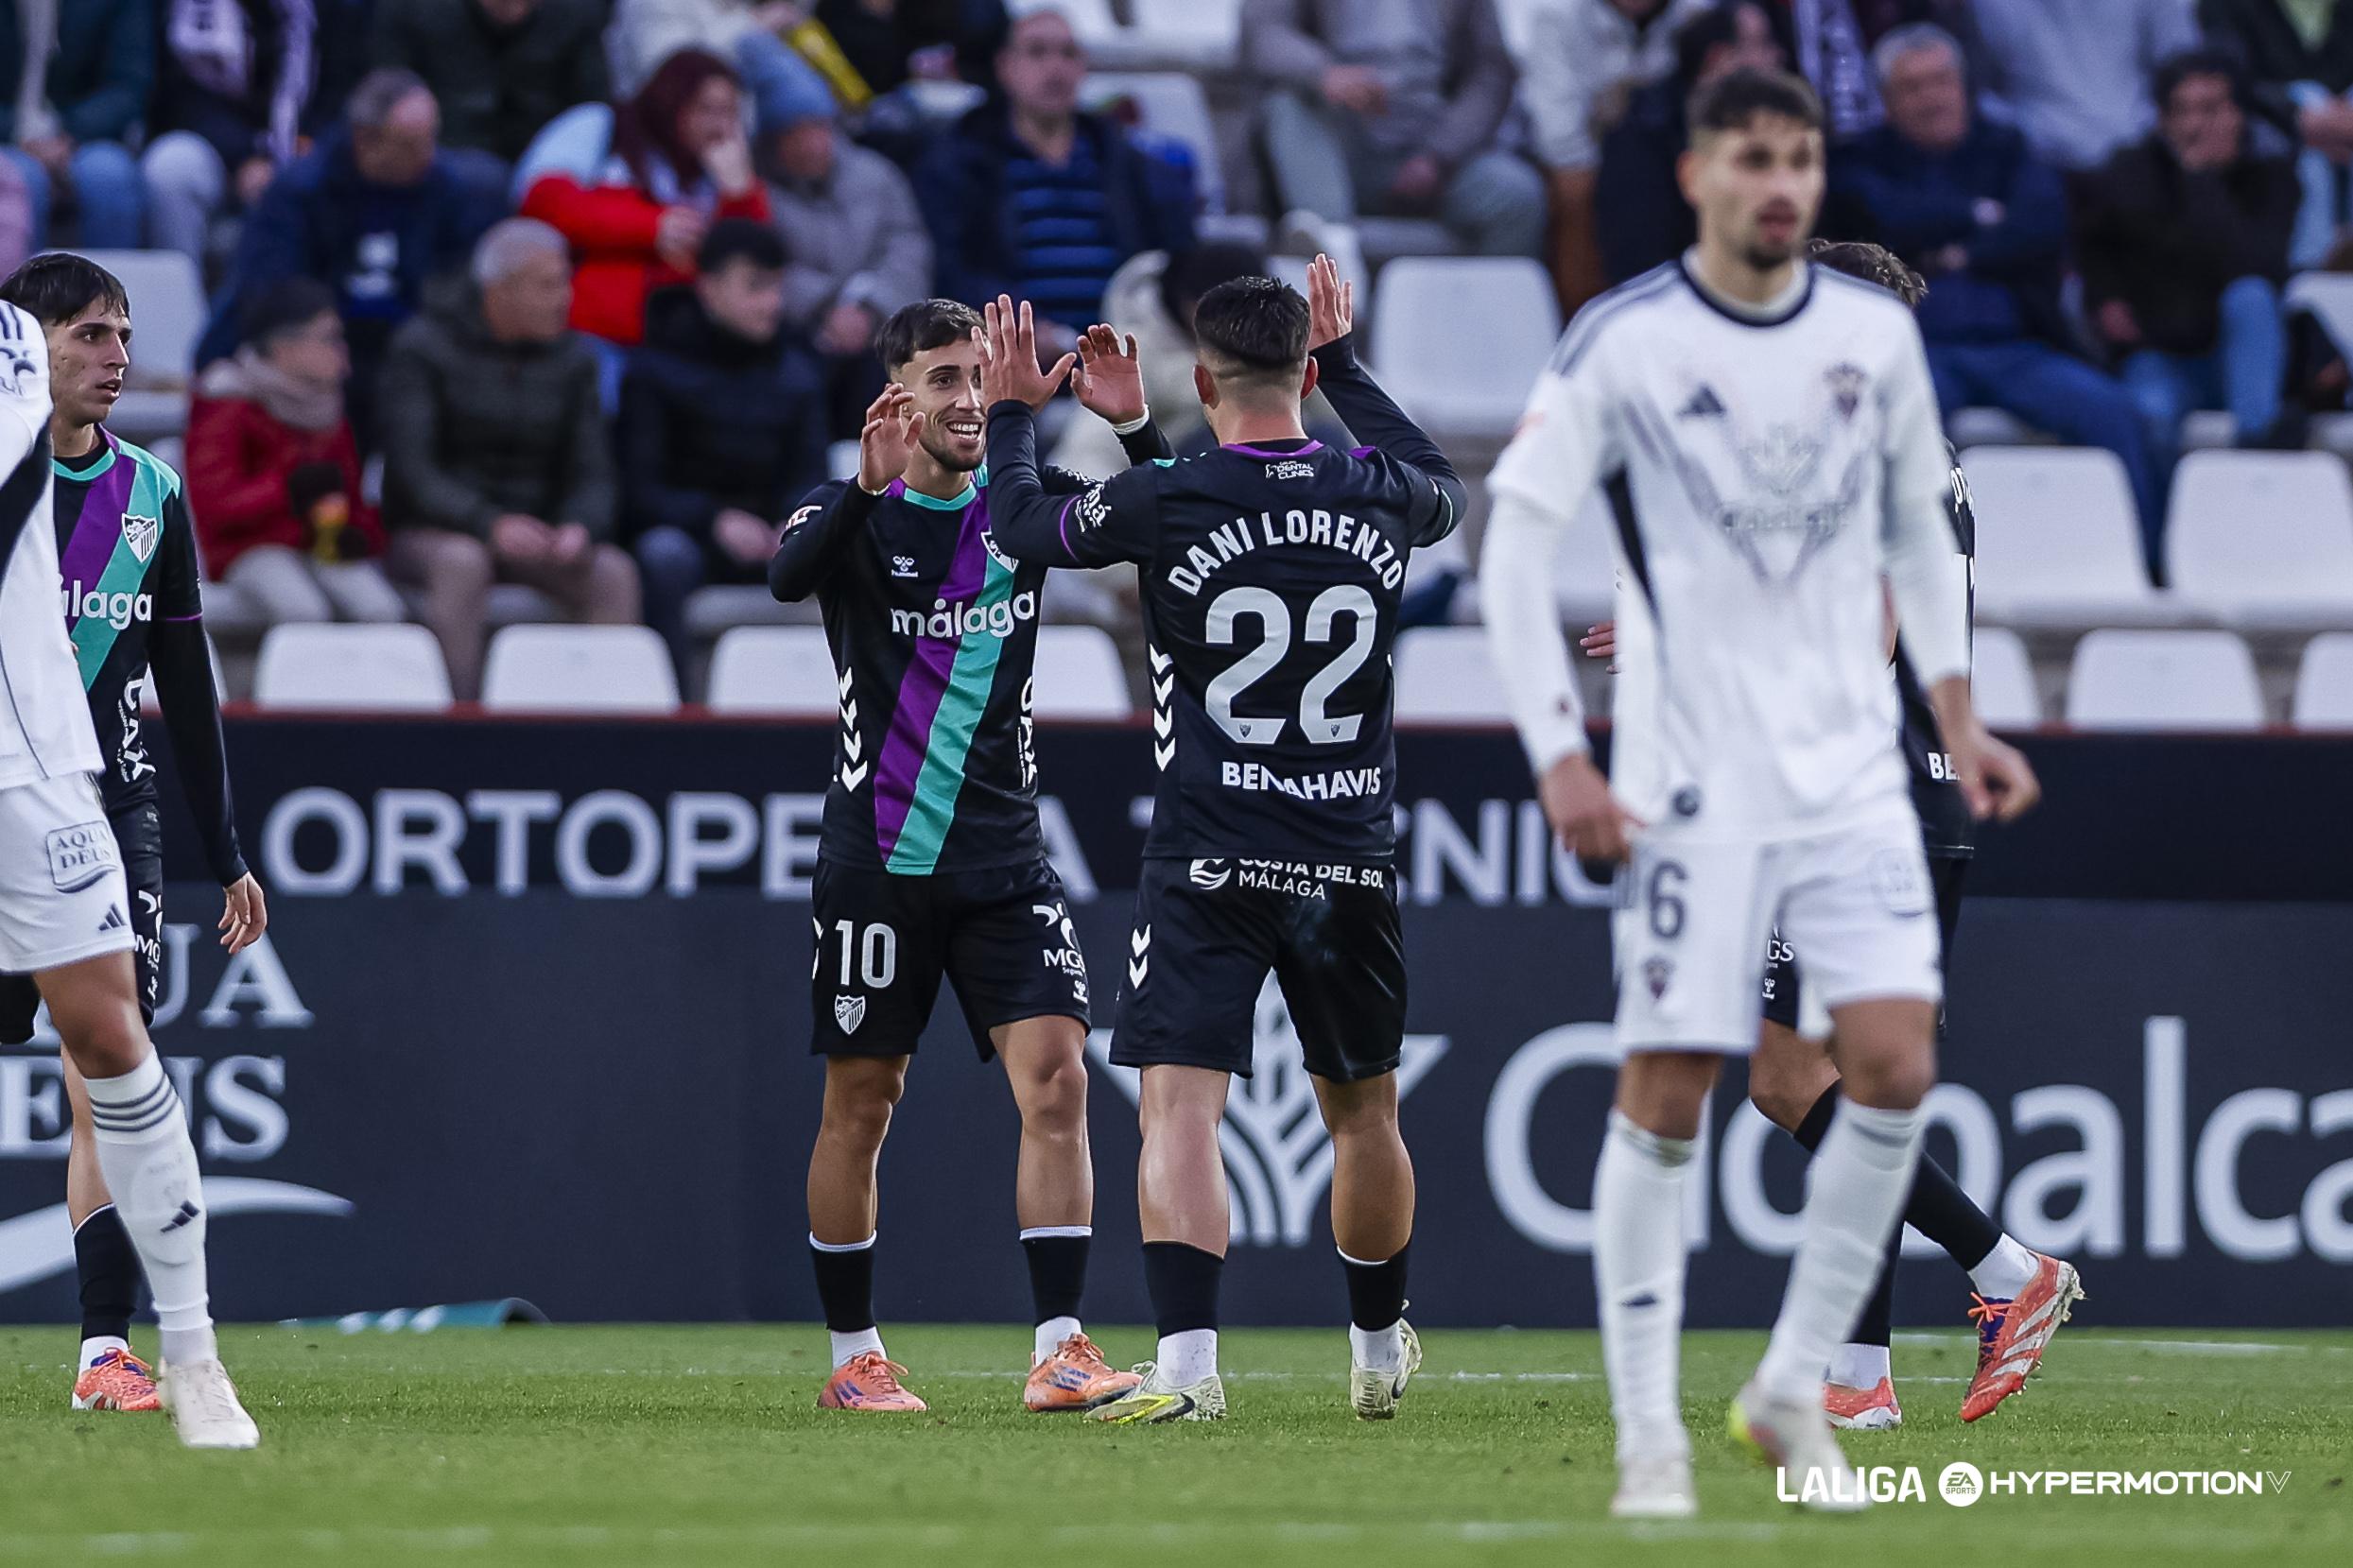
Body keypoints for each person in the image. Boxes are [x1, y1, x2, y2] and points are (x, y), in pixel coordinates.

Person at [1478, 67, 2040, 1515]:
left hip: (1854, 782)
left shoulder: (1872, 364)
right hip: (1709, 784)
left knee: (1882, 1069)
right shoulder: (1632, 341)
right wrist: (1564, 750)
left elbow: (1905, 564)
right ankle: (1654, 1436)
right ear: (1697, 176)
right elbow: (1519, 538)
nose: (1780, 182)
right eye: (1754, 158)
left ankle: (1809, 1378)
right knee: (1675, 1089)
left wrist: (1959, 717)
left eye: (1800, 158)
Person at [1580, 236, 2083, 1435]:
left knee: (1792, 1078)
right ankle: (1858, 1377)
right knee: (1827, 1085)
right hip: (1904, 798)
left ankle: (2006, 1270)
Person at [977, 262, 1466, 1425]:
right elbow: (1444, 485)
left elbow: (1019, 525)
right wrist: (1347, 367)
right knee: (1365, 1114)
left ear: (1200, 381)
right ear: (1304, 372)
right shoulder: (1378, 489)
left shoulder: (1172, 491)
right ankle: (1375, 1346)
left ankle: (1189, 1371)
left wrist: (1012, 412)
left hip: (1208, 851)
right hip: (1345, 855)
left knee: (1180, 1109)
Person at [765, 298, 1171, 1415]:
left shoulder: (1019, 508)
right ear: (894, 395)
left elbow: (1168, 524)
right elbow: (787, 578)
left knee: (1058, 1080)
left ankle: (1060, 1349)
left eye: (979, 378)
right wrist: (862, 488)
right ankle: (854, 1357)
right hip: (878, 862)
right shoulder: (844, 506)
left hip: (1006, 862)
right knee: (862, 1102)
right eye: (943, 378)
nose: (966, 400)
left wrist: (1120, 428)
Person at [0, 253, 265, 1446]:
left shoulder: (149, 492)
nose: (117, 358)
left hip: (104, 814)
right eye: (90, 335)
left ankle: (111, 1349)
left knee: (108, 1058)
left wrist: (228, 849)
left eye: (122, 334)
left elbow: (185, 684)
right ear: (27, 350)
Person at [1833, 24, 2165, 575]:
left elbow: (2041, 225)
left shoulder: (2009, 147)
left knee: (2114, 412)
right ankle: (1887, 580)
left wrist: (1948, 251)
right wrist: (1977, 215)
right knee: (1884, 424)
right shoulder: (1859, 159)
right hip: (1918, 352)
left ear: (1964, 86)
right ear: (1887, 101)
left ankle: (2148, 568)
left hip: (2017, 347)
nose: (1932, 97)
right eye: (1913, 87)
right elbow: (1881, 218)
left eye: (1941, 81)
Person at [379, 218, 640, 698]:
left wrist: (581, 525)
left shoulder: (576, 358)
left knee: (611, 571)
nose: (565, 298)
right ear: (500, 290)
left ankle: (609, 722)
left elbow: (594, 470)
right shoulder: (424, 346)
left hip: (537, 533)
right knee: (463, 563)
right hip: (435, 531)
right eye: (548, 285)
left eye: (565, 282)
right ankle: (459, 722)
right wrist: (488, 523)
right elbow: (412, 471)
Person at [201, 68, 508, 447]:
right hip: (328, 341)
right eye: (410, 145)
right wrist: (326, 338)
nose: (427, 155)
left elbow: (456, 285)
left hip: (410, 346)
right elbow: (273, 288)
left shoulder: (450, 189)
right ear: (365, 139)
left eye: (432, 138)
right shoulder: (301, 191)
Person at [916, 9, 1196, 357]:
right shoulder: (962, 164)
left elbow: (1173, 258)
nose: (1055, 68)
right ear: (1005, 67)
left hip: (1126, 349)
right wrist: (1018, 325)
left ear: (1083, 68)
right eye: (1037, 51)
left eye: (1068, 53)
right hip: (1010, 353)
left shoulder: (1128, 164)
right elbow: (950, 270)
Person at [2078, 49, 2301, 473]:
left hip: (2239, 358)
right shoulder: (2131, 172)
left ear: (2239, 113)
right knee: (2152, 413)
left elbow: (2255, 265)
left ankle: (2256, 459)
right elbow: (2097, 247)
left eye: (2210, 109)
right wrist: (2104, 298)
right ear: (2162, 120)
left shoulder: (2271, 177)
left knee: (2251, 296)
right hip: (2161, 352)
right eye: (2182, 111)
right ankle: (2156, 517)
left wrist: (2200, 181)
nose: (2195, 126)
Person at [621, 218, 827, 664]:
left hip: (774, 536)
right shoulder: (655, 369)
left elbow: (812, 475)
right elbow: (639, 490)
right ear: (709, 289)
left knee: (843, 545)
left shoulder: (798, 373)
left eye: (777, 287)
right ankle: (675, 699)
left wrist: (792, 521)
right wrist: (714, 521)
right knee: (664, 555)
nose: (772, 303)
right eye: (755, 287)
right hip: (693, 536)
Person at [518, 49, 772, 354]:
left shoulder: (725, 170)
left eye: (729, 112)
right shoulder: (601, 127)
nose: (719, 126)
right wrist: (650, 226)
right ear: (670, 101)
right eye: (705, 109)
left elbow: (751, 264)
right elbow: (542, 203)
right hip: (594, 329)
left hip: (685, 341)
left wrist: (741, 196)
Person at [1247, 0, 1542, 259]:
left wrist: (1439, 155)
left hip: (1433, 146)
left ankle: (1493, 307)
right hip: (1332, 150)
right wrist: (1323, 74)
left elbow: (1490, 73)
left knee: (1516, 198)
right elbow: (1262, 36)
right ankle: (1332, 246)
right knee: (1287, 104)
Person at [187, 277, 407, 624]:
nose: (341, 351)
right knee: (303, 610)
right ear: (283, 347)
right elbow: (216, 507)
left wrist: (359, 533)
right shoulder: (228, 403)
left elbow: (349, 495)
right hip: (249, 549)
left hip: (319, 544)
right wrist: (285, 488)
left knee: (382, 609)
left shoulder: (328, 410)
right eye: (329, 338)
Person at [762, 75, 931, 437]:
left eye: (818, 128)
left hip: (882, 323)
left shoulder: (876, 176)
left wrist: (870, 307)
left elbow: (907, 244)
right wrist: (825, 307)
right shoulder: (760, 191)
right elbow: (766, 266)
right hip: (801, 331)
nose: (811, 144)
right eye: (795, 133)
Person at [1525, 0, 1712, 310]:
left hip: (1672, 149)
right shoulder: (1556, 15)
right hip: (1591, 156)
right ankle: (1587, 312)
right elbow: (1561, 138)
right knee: (1576, 187)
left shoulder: (1696, 12)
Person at [1596, 2, 1786, 284]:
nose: (1778, 56)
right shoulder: (1644, 141)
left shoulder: (1781, 134)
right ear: (1719, 59)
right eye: (1762, 44)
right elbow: (1640, 266)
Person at [142, 0, 320, 269]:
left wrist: (301, 151)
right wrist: (246, 157)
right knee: (171, 167)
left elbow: (344, 87)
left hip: (306, 146)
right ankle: (182, 292)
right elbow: (179, 97)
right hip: (218, 150)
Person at [370, 0, 611, 170]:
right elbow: (390, 89)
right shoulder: (416, 10)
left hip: (546, 161)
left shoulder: (577, 13)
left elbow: (592, 107)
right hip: (444, 158)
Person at [2200, 0, 2353, 266]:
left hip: (2342, 125)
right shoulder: (2227, 7)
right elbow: (2228, 78)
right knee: (2308, 98)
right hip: (2269, 127)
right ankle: (2310, 264)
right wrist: (2297, 115)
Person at [1969, 0, 2200, 173]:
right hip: (2035, 162)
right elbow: (1976, 91)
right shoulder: (1987, 6)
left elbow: (2185, 72)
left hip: (2142, 154)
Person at [0, 0, 150, 250]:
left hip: (84, 137)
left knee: (109, 176)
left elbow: (128, 86)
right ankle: (20, 277)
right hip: (7, 137)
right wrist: (17, 130)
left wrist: (68, 131)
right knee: (18, 180)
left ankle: (108, 277)